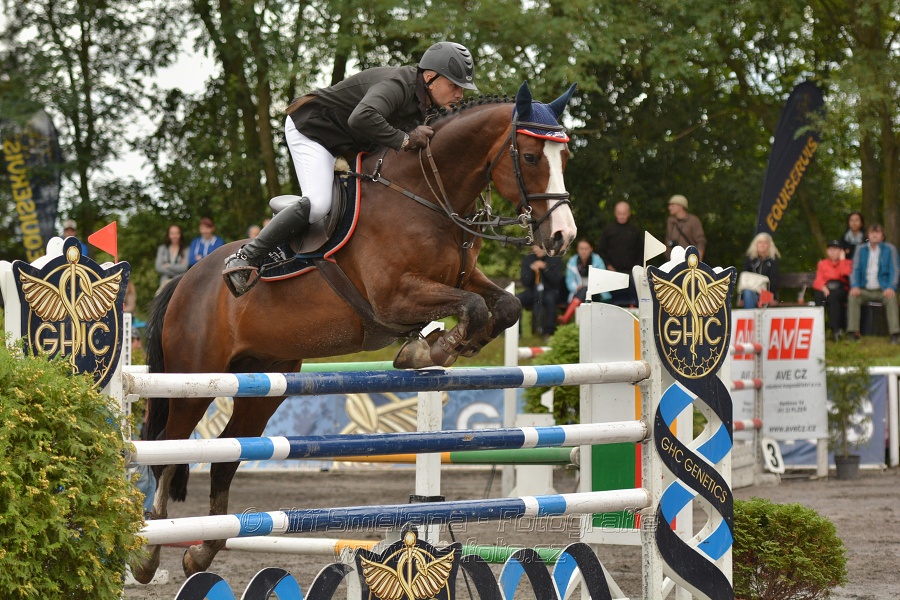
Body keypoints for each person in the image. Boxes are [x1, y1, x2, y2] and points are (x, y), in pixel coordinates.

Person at [223, 41, 478, 297]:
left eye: (462, 88)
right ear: (430, 77)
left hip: (347, 141)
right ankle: (247, 256)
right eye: (454, 85)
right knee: (320, 204)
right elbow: (362, 117)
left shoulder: (429, 105)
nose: (459, 94)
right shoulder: (400, 84)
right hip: (313, 130)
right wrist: (405, 139)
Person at [847, 223, 900, 344]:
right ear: (868, 235)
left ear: (882, 236)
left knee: (892, 298)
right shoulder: (861, 249)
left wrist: (891, 287)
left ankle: (894, 334)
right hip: (864, 289)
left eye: (878, 232)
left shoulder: (890, 249)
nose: (875, 234)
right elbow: (854, 269)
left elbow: (895, 269)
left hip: (883, 289)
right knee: (853, 296)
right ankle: (853, 333)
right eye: (872, 232)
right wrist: (855, 286)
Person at [596, 200, 643, 306]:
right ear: (615, 213)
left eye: (624, 214)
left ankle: (634, 308)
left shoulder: (635, 231)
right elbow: (602, 250)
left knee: (634, 288)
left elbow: (641, 252)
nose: (621, 216)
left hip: (632, 272)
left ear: (629, 214)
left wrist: (636, 268)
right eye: (619, 213)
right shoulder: (608, 230)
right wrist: (608, 265)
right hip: (612, 271)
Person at [518, 245, 564, 336]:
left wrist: (545, 268)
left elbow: (557, 282)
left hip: (550, 291)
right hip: (532, 291)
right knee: (517, 299)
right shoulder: (528, 260)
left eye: (542, 247)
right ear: (533, 248)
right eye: (536, 247)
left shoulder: (555, 260)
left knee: (550, 299)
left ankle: (548, 332)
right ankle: (516, 332)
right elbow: (525, 282)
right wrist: (532, 270)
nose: (539, 249)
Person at [559, 239, 609, 324]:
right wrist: (575, 287)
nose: (583, 251)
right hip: (577, 292)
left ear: (591, 249)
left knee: (585, 289)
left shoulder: (598, 261)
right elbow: (569, 281)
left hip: (596, 293)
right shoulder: (572, 261)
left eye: (586, 248)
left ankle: (566, 317)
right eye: (581, 249)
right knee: (583, 291)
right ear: (578, 249)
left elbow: (602, 279)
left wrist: (591, 287)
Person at [813, 239, 853, 341]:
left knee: (834, 297)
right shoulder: (822, 263)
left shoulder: (847, 262)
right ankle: (818, 328)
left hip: (842, 290)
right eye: (830, 249)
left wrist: (842, 259)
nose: (832, 252)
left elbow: (845, 273)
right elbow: (818, 280)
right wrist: (823, 287)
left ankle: (835, 330)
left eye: (835, 249)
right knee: (819, 296)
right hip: (827, 289)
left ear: (841, 251)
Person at [739, 232, 780, 308]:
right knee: (748, 293)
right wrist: (741, 298)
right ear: (756, 245)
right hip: (752, 292)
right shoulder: (750, 259)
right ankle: (750, 318)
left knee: (752, 296)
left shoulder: (773, 260)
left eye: (765, 243)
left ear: (769, 245)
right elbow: (745, 279)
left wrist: (773, 297)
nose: (762, 245)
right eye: (760, 242)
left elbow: (774, 279)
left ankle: (750, 318)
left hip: (766, 293)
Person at [665, 194, 706, 260]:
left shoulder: (693, 220)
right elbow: (668, 240)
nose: (669, 208)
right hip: (674, 260)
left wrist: (698, 260)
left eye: (672, 205)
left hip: (690, 259)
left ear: (680, 206)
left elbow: (701, 241)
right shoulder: (670, 221)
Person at [154, 224, 189, 292]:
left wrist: (168, 266)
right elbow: (158, 267)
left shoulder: (186, 250)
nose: (174, 236)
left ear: (180, 234)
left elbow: (184, 268)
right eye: (172, 233)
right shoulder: (162, 249)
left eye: (177, 233)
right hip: (164, 283)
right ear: (168, 235)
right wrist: (177, 268)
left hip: (179, 283)